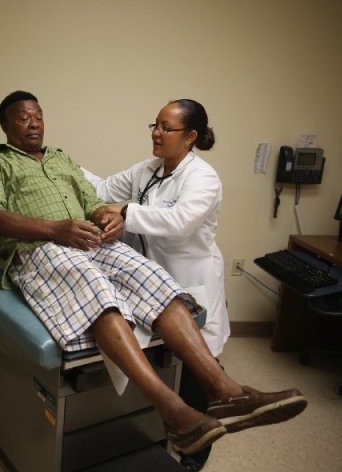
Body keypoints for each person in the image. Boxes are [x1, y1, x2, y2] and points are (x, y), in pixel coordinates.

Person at [0, 90, 307, 456]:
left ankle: (227, 392)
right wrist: (58, 228)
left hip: (101, 245)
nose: (34, 123)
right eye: (23, 117)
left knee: (158, 282)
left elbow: (95, 200)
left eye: (38, 116)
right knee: (99, 293)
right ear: (5, 125)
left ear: (190, 135)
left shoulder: (62, 159)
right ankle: (174, 411)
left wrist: (106, 218)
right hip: (44, 249)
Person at [81, 99, 228, 471]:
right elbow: (102, 187)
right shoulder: (148, 169)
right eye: (155, 125)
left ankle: (194, 457)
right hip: (153, 279)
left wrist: (126, 211)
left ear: (190, 136)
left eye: (166, 127)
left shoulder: (203, 178)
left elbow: (178, 221)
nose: (156, 134)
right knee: (167, 364)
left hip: (190, 280)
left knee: (198, 369)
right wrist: (65, 166)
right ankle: (168, 430)